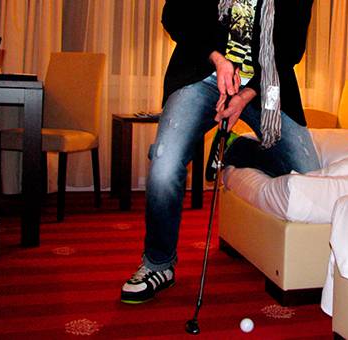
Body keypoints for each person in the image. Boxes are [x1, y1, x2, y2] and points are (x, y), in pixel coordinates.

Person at [120, 0, 320, 304]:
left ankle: (237, 149)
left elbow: (290, 49)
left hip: (263, 84)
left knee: (308, 172)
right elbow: (174, 15)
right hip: (202, 73)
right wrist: (218, 59)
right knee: (165, 163)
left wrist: (245, 96)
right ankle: (158, 263)